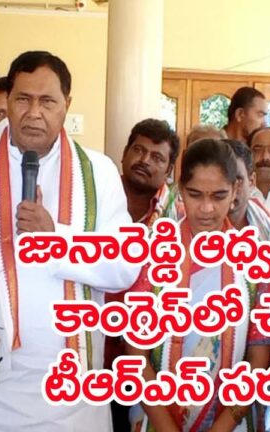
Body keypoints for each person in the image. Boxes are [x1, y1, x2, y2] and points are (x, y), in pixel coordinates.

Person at [0, 50, 139, 431]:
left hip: (72, 397)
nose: (34, 113)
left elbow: (124, 266)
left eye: (47, 101)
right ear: (8, 101)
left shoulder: (99, 173)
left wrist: (57, 239)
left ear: (67, 104)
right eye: (23, 99)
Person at [127, 138, 270, 432]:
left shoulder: (257, 262)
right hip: (158, 417)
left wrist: (221, 427)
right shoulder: (153, 253)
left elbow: (258, 360)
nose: (206, 209)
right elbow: (135, 356)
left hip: (230, 421)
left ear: (236, 190)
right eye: (195, 195)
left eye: (219, 196)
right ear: (181, 189)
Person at [107, 118, 183, 431]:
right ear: (124, 154)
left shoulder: (178, 217)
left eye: (157, 157)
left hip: (146, 359)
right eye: (138, 150)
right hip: (91, 348)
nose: (144, 161)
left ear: (169, 170)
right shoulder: (96, 201)